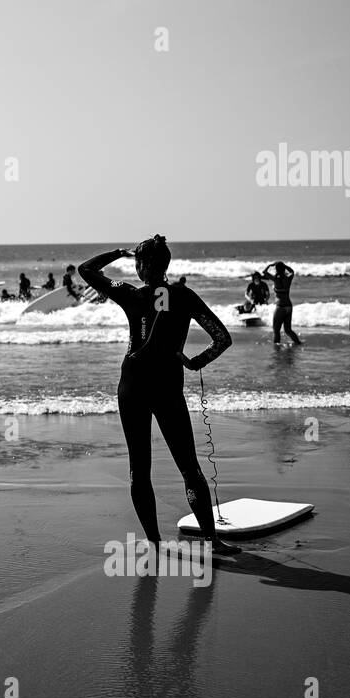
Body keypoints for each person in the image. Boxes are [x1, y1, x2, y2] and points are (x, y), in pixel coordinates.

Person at [79, 236, 238, 554]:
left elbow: (87, 269)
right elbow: (221, 338)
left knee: (139, 468)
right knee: (189, 466)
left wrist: (118, 253)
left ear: (140, 265)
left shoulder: (130, 294)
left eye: (137, 261)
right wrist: (195, 363)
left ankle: (153, 543)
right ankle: (211, 541)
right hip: (166, 388)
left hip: (133, 387)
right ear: (165, 265)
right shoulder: (183, 295)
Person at [262, 262, 301, 345]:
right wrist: (285, 266)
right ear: (283, 269)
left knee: (276, 330)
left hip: (280, 307)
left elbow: (264, 272)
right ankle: (298, 343)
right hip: (289, 306)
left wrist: (270, 265)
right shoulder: (288, 278)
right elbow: (292, 271)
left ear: (276, 269)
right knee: (288, 330)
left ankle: (277, 350)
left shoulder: (276, 279)